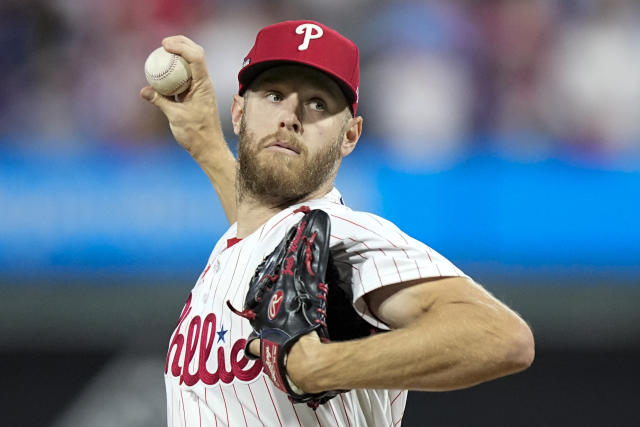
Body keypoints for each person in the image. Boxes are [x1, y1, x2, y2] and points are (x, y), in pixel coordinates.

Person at [141, 20, 534, 427]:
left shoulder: (343, 234)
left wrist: (320, 366)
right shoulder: (247, 240)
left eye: (317, 104)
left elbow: (502, 337)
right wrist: (206, 143)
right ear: (238, 112)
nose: (290, 116)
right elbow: (258, 231)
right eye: (274, 95)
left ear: (350, 135)